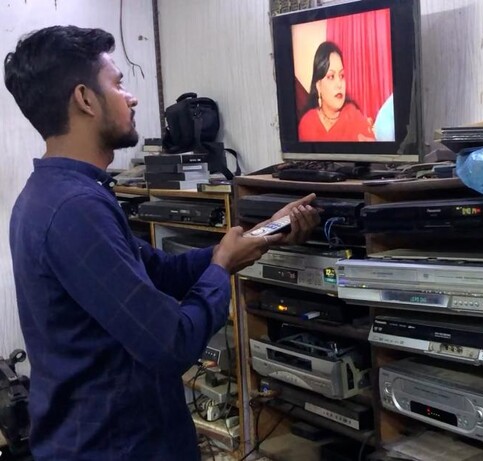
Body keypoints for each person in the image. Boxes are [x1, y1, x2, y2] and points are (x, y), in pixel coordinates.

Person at [3, 25, 320, 461]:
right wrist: (222, 268)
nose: (131, 98)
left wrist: (258, 235)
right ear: (85, 99)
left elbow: (159, 271)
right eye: (118, 84)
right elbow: (172, 342)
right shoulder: (75, 209)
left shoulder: (58, 194)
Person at [297, 41, 375, 142]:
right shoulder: (307, 124)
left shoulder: (353, 116)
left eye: (342, 76)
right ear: (318, 86)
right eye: (331, 77)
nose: (339, 84)